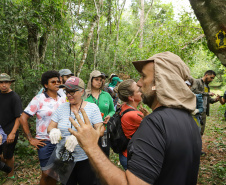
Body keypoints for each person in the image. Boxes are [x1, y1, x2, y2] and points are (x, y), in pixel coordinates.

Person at [68, 51, 202, 185]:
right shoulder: (191, 121)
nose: (139, 83)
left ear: (162, 81)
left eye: (143, 76)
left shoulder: (154, 124)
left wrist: (91, 146)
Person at [47, 76, 104, 185]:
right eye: (66, 91)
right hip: (64, 158)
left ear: (82, 91)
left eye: (72, 91)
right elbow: (50, 126)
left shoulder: (92, 108)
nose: (68, 95)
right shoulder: (62, 107)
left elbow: (100, 130)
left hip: (85, 158)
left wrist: (83, 136)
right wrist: (53, 131)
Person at [19, 70, 66, 185]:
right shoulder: (39, 99)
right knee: (46, 173)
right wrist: (30, 139)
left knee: (55, 173)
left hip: (61, 141)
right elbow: (23, 118)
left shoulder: (63, 97)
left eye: (58, 81)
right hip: (45, 141)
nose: (56, 83)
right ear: (46, 85)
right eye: (53, 82)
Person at [116, 79, 148, 170]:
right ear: (131, 97)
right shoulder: (135, 115)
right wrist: (148, 117)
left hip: (125, 154)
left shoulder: (124, 106)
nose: (141, 91)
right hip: (131, 157)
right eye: (138, 90)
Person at [85, 70, 115, 157]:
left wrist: (109, 115)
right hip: (89, 131)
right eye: (96, 79)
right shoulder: (85, 95)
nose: (99, 82)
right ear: (91, 80)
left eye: (101, 80)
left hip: (104, 130)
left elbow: (112, 110)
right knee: (90, 156)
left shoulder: (106, 95)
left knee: (104, 155)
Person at [0, 73, 23, 181]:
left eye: (6, 82)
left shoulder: (14, 97)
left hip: (10, 130)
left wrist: (13, 133)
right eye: (1, 82)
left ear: (10, 83)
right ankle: (11, 165)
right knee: (3, 156)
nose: (3, 85)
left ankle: (11, 175)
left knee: (8, 155)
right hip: (0, 130)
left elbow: (19, 117)